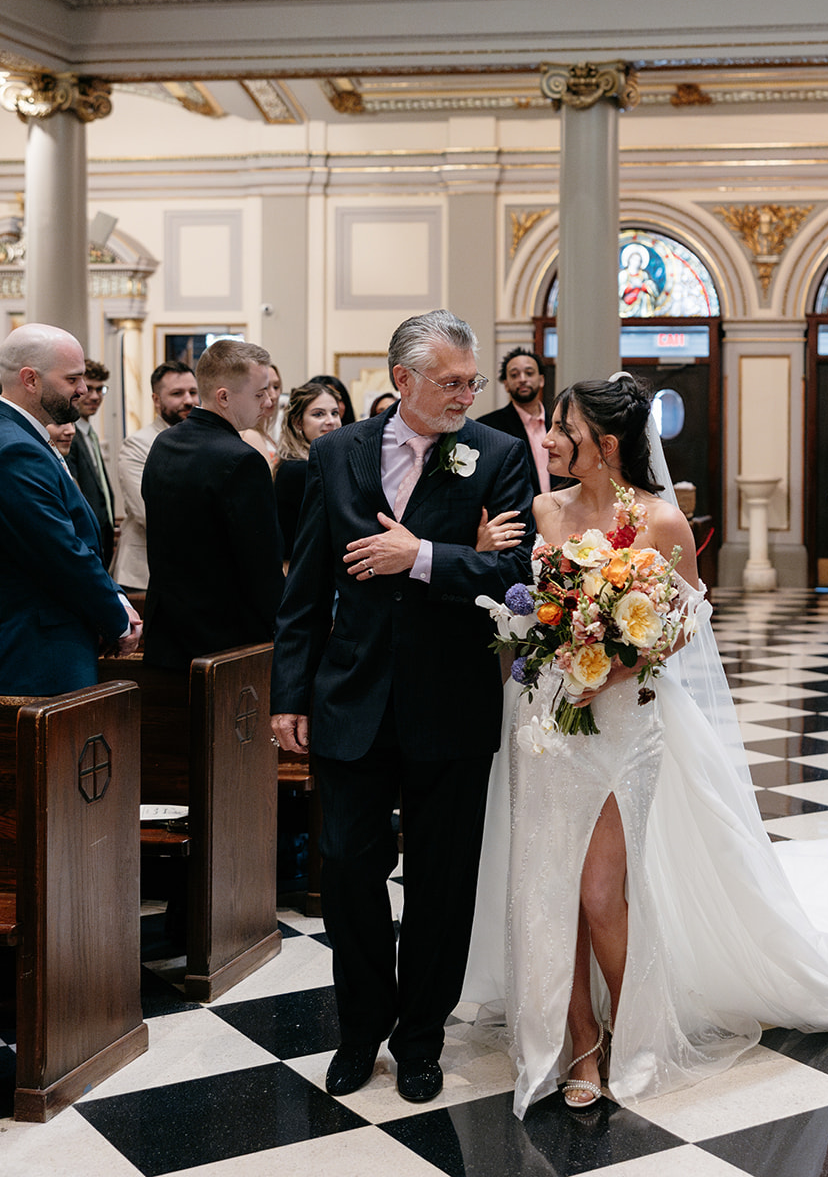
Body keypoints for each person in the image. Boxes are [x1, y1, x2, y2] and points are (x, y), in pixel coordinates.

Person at [467, 374, 828, 1119]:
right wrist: (547, 640)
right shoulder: (544, 508)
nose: (548, 437)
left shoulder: (662, 522)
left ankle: (631, 1035)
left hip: (624, 718)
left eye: (562, 428)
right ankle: (577, 1041)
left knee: (600, 893)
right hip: (544, 718)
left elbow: (687, 617)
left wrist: (619, 660)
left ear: (603, 444)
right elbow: (536, 605)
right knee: (548, 887)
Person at [271, 309, 535, 1107]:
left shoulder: (498, 455)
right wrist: (291, 692)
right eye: (451, 381)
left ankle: (421, 1038)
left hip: (449, 701)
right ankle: (359, 1031)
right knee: (348, 869)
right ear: (402, 381)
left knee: (442, 880)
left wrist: (418, 556)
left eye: (472, 381)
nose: (467, 394)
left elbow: (518, 572)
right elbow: (306, 584)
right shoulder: (335, 452)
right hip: (349, 697)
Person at [0, 323, 141, 693]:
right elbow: (58, 549)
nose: (83, 390)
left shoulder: (26, 435)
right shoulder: (15, 447)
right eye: (73, 379)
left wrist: (116, 598)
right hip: (38, 645)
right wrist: (116, 618)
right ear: (30, 379)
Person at [142, 340, 284, 670]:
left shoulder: (165, 442)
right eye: (259, 393)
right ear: (223, 397)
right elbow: (261, 564)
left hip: (168, 632)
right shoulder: (242, 460)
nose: (269, 401)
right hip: (226, 641)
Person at [113, 360, 198, 601]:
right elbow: (147, 513)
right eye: (177, 393)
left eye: (193, 392)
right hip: (145, 573)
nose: (189, 400)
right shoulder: (138, 445)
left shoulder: (207, 441)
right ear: (156, 400)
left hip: (194, 571)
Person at [274, 380, 343, 561]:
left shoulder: (322, 462)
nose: (331, 421)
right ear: (298, 422)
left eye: (335, 413)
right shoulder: (297, 469)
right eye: (318, 414)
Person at [480, 347, 555, 497]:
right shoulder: (488, 427)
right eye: (514, 375)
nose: (522, 379)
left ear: (541, 380)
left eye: (529, 373)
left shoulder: (560, 423)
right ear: (506, 384)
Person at [68, 357, 116, 567]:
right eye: (89, 389)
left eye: (100, 390)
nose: (95, 396)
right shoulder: (67, 435)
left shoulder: (89, 433)